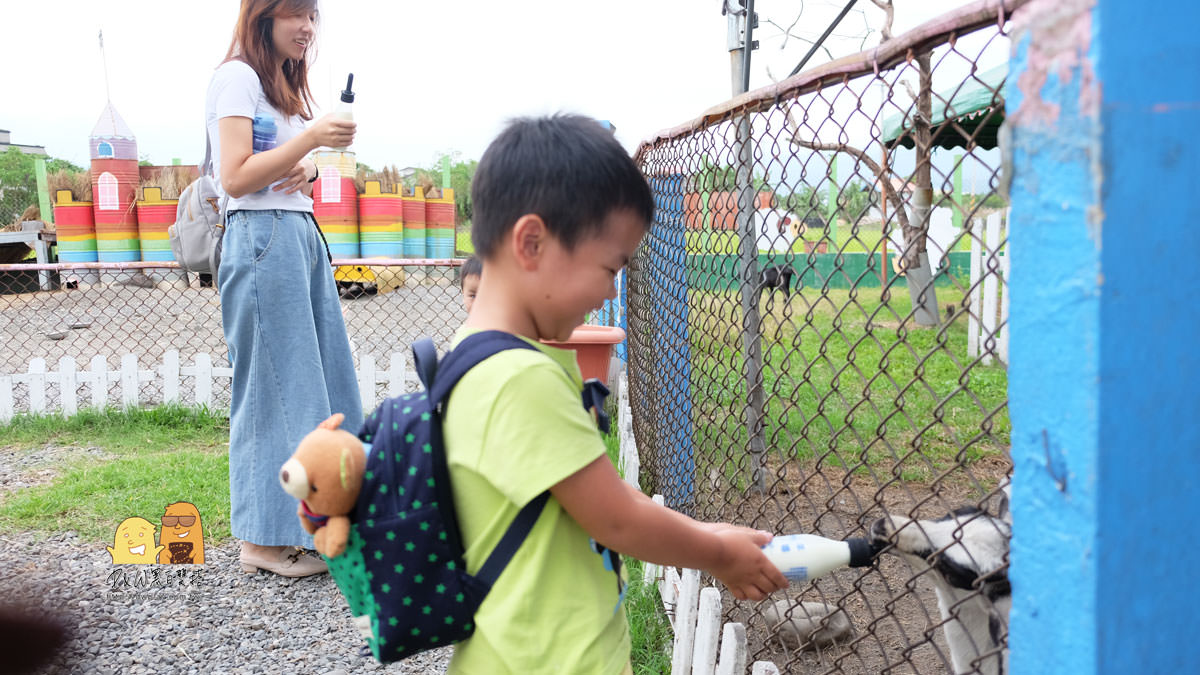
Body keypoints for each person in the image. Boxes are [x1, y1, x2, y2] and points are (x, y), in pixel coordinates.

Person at [443, 114, 788, 674]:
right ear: (531, 242)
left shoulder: (471, 355)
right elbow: (616, 520)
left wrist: (703, 531)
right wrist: (718, 554)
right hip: (552, 661)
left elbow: (586, 493)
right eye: (609, 267)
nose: (609, 289)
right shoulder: (519, 379)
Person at [207, 0, 363, 577]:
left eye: (313, 16)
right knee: (271, 386)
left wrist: (313, 168)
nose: (308, 27)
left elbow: (282, 169)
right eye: (296, 14)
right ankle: (260, 542)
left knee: (316, 380)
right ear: (263, 17)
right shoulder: (236, 78)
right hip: (260, 238)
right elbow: (236, 176)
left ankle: (321, 520)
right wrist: (312, 139)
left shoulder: (282, 86)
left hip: (296, 234)